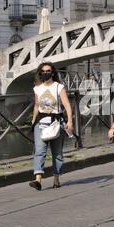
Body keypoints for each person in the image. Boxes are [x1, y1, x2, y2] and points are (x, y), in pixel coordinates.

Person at [30, 62, 74, 190]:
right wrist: (33, 121)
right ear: (40, 73)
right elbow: (37, 106)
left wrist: (69, 121)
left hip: (56, 122)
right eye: (43, 71)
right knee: (39, 150)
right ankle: (38, 179)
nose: (46, 73)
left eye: (48, 71)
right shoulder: (37, 88)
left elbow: (67, 105)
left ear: (53, 72)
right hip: (41, 121)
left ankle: (56, 177)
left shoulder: (59, 87)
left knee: (57, 153)